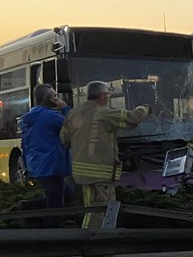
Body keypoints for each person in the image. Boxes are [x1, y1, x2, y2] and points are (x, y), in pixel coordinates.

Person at [60, 81, 153, 229]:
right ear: (102, 96)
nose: (108, 98)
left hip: (80, 173)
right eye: (107, 95)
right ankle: (94, 241)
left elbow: (64, 139)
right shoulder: (103, 113)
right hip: (99, 174)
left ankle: (94, 239)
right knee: (99, 211)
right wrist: (145, 108)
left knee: (91, 208)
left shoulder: (73, 113)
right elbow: (133, 118)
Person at [19, 84, 74, 228]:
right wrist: (64, 108)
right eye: (55, 96)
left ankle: (30, 210)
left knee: (63, 195)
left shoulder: (30, 116)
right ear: (48, 99)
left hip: (37, 165)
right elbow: (74, 124)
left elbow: (25, 143)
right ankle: (49, 230)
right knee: (57, 203)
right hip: (52, 165)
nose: (58, 98)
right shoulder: (52, 116)